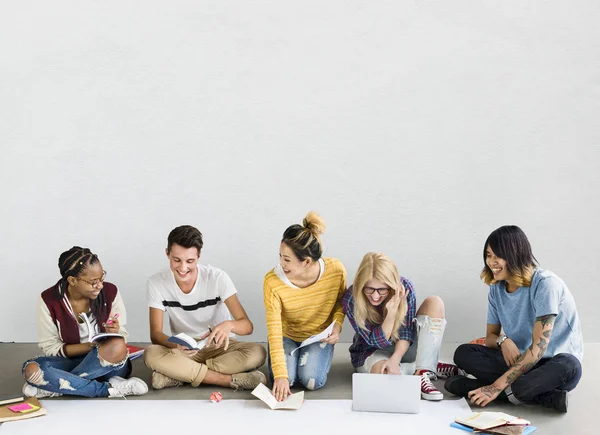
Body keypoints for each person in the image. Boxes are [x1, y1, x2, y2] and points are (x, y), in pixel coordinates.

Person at [445, 225, 583, 412]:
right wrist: (504, 340)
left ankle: (482, 389)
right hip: (519, 361)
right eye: (488, 255)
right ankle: (540, 395)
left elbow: (537, 350)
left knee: (570, 366)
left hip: (552, 364)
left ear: (515, 254)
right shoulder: (496, 288)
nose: (491, 262)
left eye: (497, 255)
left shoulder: (545, 285)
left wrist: (495, 387)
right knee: (463, 353)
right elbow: (491, 336)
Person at [143, 225, 267, 391]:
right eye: (176, 260)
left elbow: (247, 326)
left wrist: (228, 325)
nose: (183, 268)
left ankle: (179, 375)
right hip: (184, 352)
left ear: (199, 256)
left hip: (220, 348)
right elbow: (156, 334)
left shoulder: (217, 278)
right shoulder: (156, 283)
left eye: (190, 261)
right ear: (167, 253)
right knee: (151, 354)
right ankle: (227, 380)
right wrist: (176, 346)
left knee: (258, 352)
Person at [22, 247, 148, 398]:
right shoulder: (49, 300)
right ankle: (108, 389)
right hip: (69, 361)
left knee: (117, 346)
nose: (100, 286)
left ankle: (57, 385)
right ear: (72, 280)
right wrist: (90, 346)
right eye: (93, 282)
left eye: (102, 278)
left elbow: (122, 335)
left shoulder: (110, 292)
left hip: (107, 363)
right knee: (31, 369)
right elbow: (51, 347)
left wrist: (114, 332)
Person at [342, 252, 458, 401]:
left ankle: (422, 370)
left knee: (435, 302)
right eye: (369, 289)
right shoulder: (351, 298)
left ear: (391, 286)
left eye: (382, 290)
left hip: (404, 346)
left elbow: (406, 332)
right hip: (372, 351)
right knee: (387, 378)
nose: (375, 296)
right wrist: (391, 313)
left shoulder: (405, 287)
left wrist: (395, 359)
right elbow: (375, 341)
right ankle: (425, 366)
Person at [264, 211, 346, 401]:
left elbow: (339, 304)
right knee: (288, 381)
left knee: (311, 381)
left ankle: (306, 357)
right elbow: (274, 330)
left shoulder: (336, 270)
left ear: (306, 261)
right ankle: (290, 365)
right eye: (280, 256)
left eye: (287, 259)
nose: (281, 264)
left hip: (318, 335)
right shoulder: (272, 282)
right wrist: (281, 376)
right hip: (287, 335)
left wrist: (337, 326)